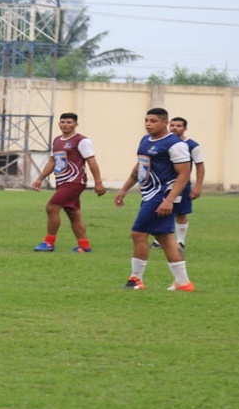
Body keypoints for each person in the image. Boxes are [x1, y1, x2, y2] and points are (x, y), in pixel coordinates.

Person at [113, 108, 195, 292]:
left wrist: (169, 200)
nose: (148, 124)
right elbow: (140, 167)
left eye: (153, 121)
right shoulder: (145, 140)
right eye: (146, 120)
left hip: (162, 196)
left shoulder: (175, 144)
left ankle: (136, 279)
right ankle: (184, 283)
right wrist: (125, 188)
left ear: (165, 123)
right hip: (149, 194)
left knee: (138, 233)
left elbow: (184, 174)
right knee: (165, 238)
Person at [30, 112, 106, 252]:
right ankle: (84, 245)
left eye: (69, 122)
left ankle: (49, 243)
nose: (65, 125)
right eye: (63, 122)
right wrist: (40, 179)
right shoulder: (57, 140)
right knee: (73, 213)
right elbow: (53, 161)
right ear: (59, 124)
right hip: (62, 182)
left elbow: (91, 161)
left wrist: (98, 182)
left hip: (74, 181)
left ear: (76, 124)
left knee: (51, 208)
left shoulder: (82, 141)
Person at [152, 116, 205, 252]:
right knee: (159, 211)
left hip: (181, 184)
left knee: (181, 213)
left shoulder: (193, 145)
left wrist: (198, 186)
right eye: (173, 125)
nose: (175, 128)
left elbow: (200, 166)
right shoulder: (164, 142)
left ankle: (180, 241)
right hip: (162, 185)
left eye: (179, 126)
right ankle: (159, 240)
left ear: (185, 128)